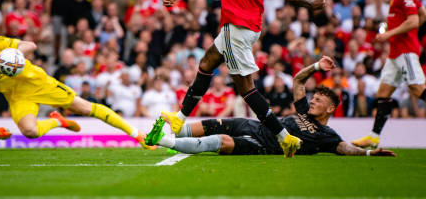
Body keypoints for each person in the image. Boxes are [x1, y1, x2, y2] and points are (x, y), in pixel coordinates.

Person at [156, 0, 325, 157]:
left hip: (236, 27)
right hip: (248, 27)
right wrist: (311, 3)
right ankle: (180, 117)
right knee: (207, 62)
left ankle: (285, 138)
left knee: (246, 88)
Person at [146, 56, 395, 157]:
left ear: (331, 109)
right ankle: (176, 136)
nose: (313, 101)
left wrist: (370, 154)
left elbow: (344, 148)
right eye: (314, 97)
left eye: (320, 100)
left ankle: (164, 142)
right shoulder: (302, 110)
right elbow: (298, 80)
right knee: (212, 124)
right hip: (256, 126)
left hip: (265, 145)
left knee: (221, 140)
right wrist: (317, 67)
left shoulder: (327, 136)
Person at [0, 25, 152, 148]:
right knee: (30, 132)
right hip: (17, 96)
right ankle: (59, 121)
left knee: (85, 108)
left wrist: (9, 57)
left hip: (38, 83)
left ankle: (137, 135)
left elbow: (30, 45)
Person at [352, 0, 426, 148]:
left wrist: (389, 33)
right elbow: (424, 13)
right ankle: (374, 136)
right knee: (383, 92)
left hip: (406, 52)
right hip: (395, 53)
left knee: (418, 90)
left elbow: (413, 21)